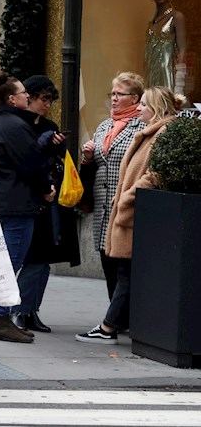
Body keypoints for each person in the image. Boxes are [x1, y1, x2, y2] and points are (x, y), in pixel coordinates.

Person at [76, 86, 180, 345]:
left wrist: (128, 197)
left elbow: (155, 174)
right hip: (131, 212)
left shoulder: (162, 133)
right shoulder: (150, 132)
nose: (139, 108)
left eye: (143, 104)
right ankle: (118, 324)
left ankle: (108, 327)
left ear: (155, 108)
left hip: (137, 213)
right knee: (127, 273)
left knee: (127, 274)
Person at [0, 71, 57, 344]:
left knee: (11, 261)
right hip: (17, 204)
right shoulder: (14, 126)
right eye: (23, 92)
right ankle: (1, 319)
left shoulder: (10, 123)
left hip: (13, 201)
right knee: (11, 263)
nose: (28, 95)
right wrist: (46, 189)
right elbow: (31, 164)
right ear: (12, 99)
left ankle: (2, 318)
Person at [10, 76, 80, 334]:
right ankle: (18, 310)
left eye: (50, 101)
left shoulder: (49, 126)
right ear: (29, 97)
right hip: (27, 199)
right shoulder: (17, 125)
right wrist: (43, 146)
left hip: (50, 199)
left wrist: (58, 148)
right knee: (33, 258)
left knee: (43, 259)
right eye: (44, 99)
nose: (47, 105)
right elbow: (23, 162)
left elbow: (57, 161)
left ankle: (30, 311)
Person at [80, 72, 146, 308]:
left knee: (124, 266)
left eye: (120, 94)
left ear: (135, 98)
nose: (114, 98)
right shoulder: (104, 125)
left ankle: (123, 317)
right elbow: (99, 162)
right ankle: (114, 314)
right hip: (103, 205)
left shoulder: (142, 125)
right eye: (112, 94)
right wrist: (88, 157)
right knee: (106, 261)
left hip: (126, 204)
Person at [144, 0, 187, 95]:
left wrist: (180, 79)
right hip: (152, 71)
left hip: (168, 71)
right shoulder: (152, 22)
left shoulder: (176, 17)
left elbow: (182, 48)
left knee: (166, 99)